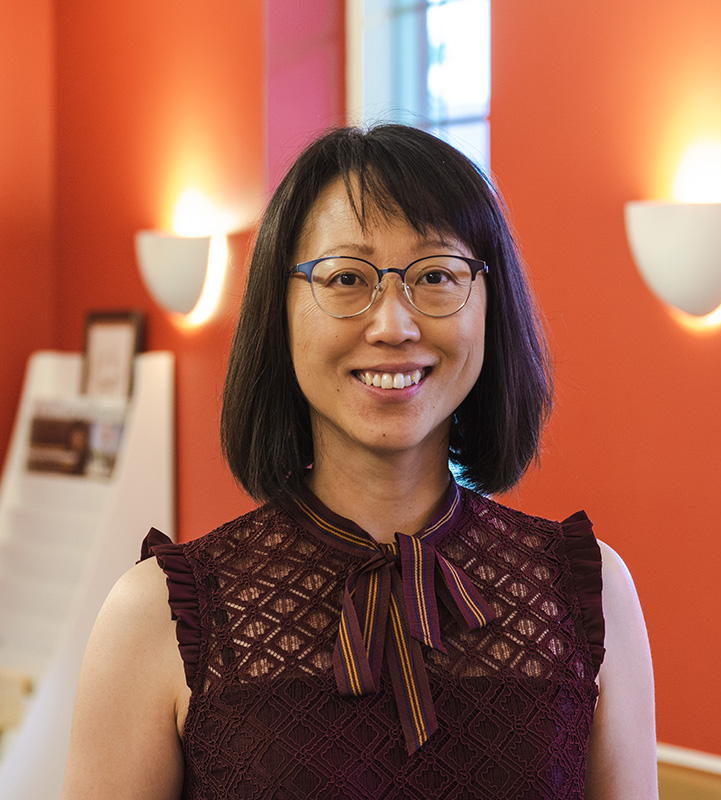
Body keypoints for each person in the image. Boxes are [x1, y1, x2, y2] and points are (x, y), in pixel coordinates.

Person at [63, 124, 657, 799]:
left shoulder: (591, 595)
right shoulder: (155, 616)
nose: (393, 326)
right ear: (279, 311)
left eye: (436, 275)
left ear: (489, 307)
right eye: (347, 278)